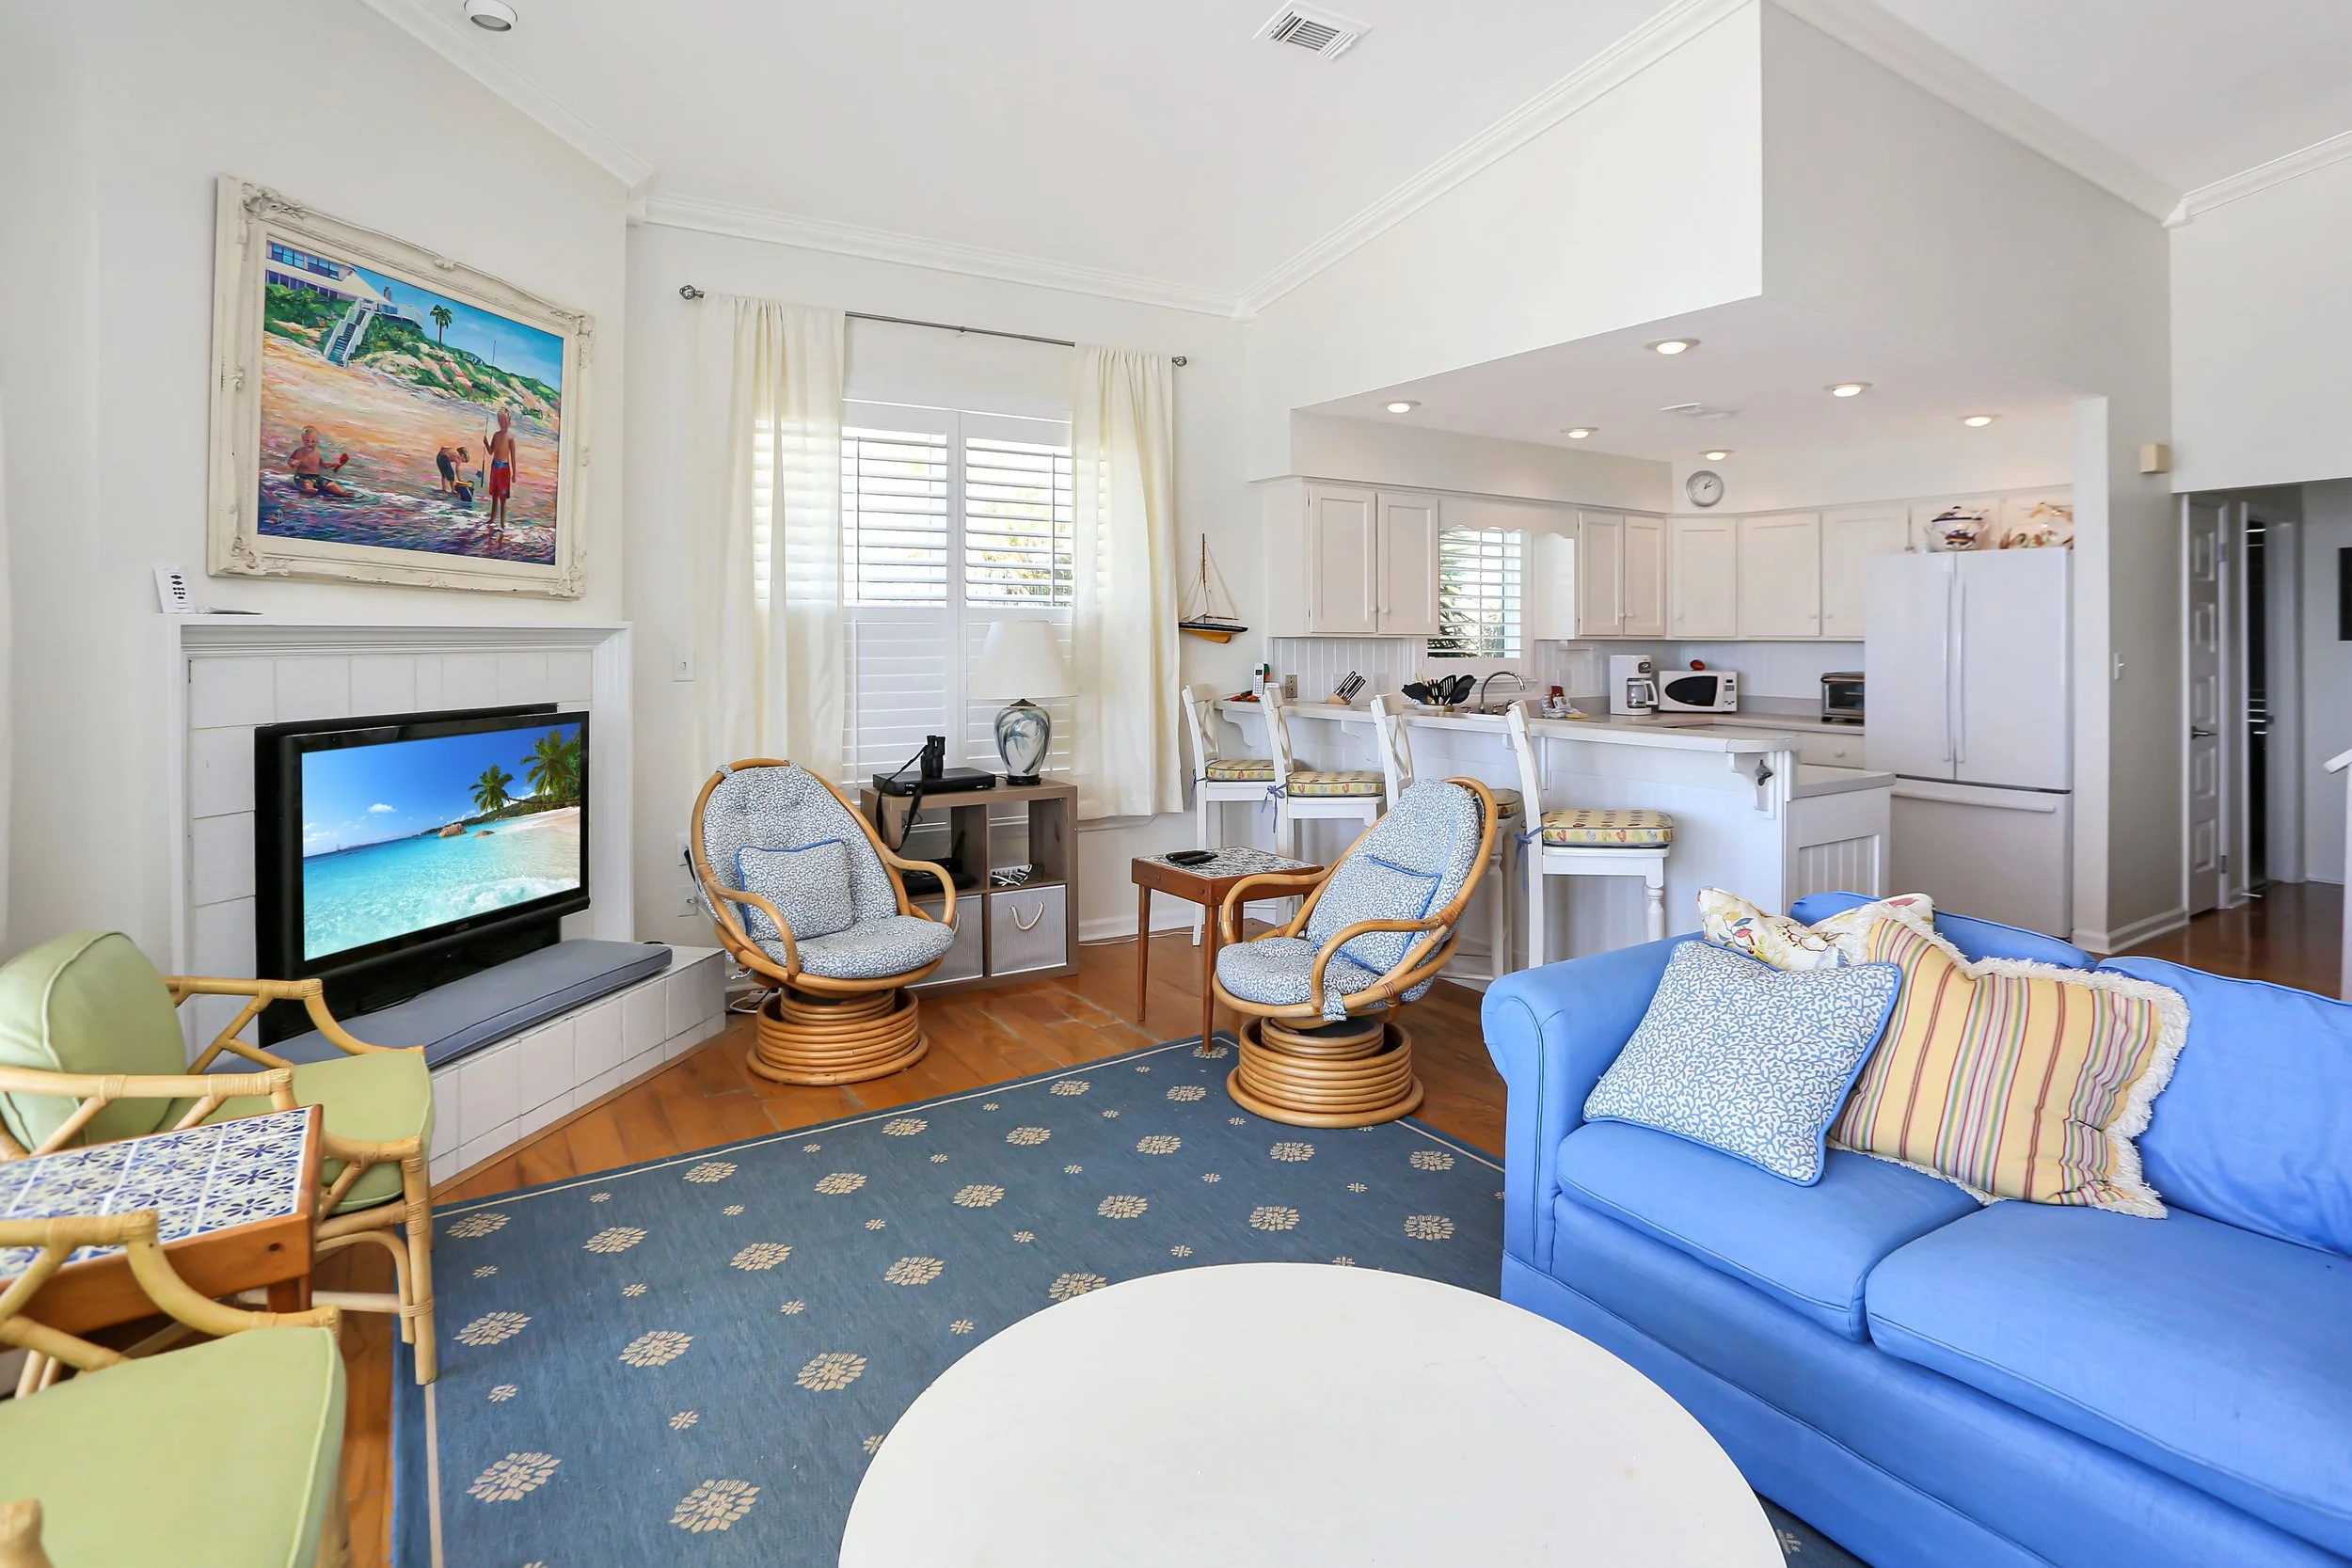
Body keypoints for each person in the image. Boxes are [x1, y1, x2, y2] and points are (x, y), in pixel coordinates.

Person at [287, 427, 352, 499]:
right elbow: (290, 460)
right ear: (302, 440)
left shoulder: (317, 453)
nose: (310, 443)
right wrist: (293, 462)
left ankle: (342, 492)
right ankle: (310, 489)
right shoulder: (299, 451)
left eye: (313, 441)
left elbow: (323, 465)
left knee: (331, 484)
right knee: (306, 483)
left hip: (316, 477)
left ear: (317, 441)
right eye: (307, 441)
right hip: (302, 476)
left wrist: (332, 464)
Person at [485, 407, 517, 530]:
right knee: (494, 495)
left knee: (503, 499)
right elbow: (490, 451)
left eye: (505, 421)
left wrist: (514, 473)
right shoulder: (496, 435)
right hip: (495, 466)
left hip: (504, 468)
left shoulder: (510, 437)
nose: (503, 424)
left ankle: (502, 524)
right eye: (500, 421)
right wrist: (486, 443)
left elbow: (513, 456)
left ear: (509, 421)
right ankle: (492, 519)